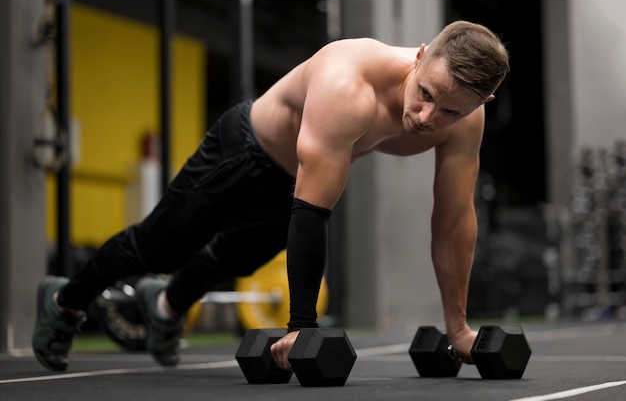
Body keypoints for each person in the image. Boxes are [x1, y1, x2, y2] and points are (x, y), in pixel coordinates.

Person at [32, 20, 510, 372]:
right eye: (425, 93)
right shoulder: (349, 83)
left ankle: (165, 307)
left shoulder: (466, 118)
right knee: (157, 248)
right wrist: (301, 324)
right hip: (246, 153)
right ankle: (64, 301)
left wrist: (459, 327)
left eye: (448, 110)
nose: (427, 118)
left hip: (295, 178)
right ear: (421, 54)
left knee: (231, 260)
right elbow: (312, 212)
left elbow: (452, 222)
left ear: (478, 105)